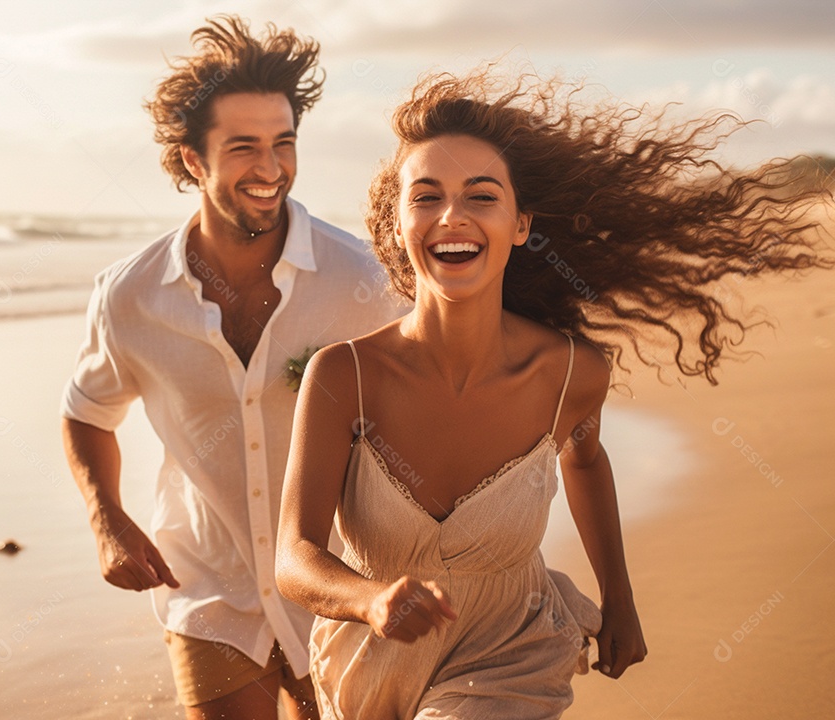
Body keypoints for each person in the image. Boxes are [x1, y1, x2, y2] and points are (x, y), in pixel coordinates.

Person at [276, 69, 831, 719]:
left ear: (519, 224)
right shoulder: (344, 376)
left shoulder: (569, 375)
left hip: (511, 651)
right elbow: (296, 556)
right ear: (397, 223)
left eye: (481, 196)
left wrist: (618, 599)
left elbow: (586, 460)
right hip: (368, 663)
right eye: (425, 197)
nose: (451, 216)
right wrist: (369, 600)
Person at [60, 15, 404, 720]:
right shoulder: (129, 295)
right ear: (193, 160)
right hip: (206, 589)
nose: (271, 168)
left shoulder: (363, 283)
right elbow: (87, 412)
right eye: (244, 147)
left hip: (342, 591)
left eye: (284, 144)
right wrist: (106, 517)